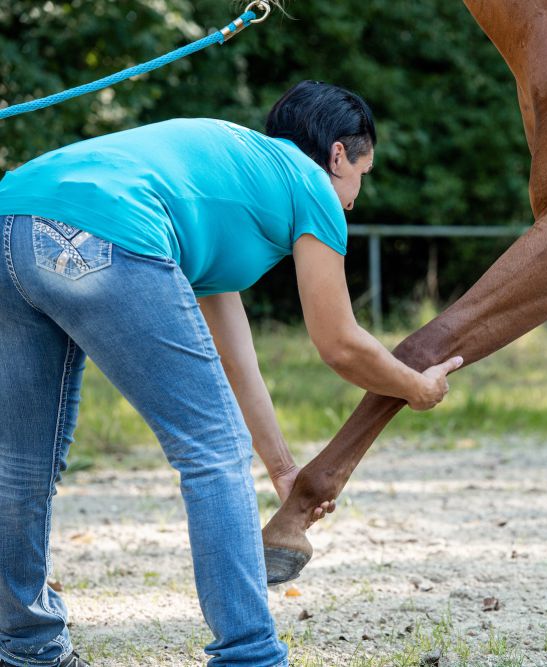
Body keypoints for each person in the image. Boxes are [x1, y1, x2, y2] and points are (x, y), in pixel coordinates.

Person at [0, 80, 463, 667]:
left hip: (9, 219)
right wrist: (418, 387)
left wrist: (282, 468)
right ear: (339, 154)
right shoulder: (310, 183)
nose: (355, 196)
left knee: (19, 464)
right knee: (212, 452)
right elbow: (340, 343)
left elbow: (232, 351)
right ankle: (250, 656)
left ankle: (28, 647)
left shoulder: (233, 176)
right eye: (361, 176)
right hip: (109, 231)